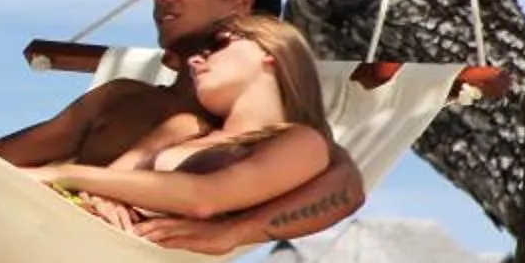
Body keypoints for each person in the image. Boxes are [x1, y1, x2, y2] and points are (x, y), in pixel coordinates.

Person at [0, 0, 367, 247]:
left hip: (77, 248)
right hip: (25, 223)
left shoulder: (256, 133)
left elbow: (344, 185)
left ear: (241, 4)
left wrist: (231, 234)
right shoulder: (122, 99)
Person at [20, 15, 336, 222]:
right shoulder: (184, 128)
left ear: (272, 53)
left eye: (220, 44)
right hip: (76, 228)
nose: (197, 60)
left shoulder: (302, 142)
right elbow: (103, 186)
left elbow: (206, 197)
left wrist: (67, 173)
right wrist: (100, 196)